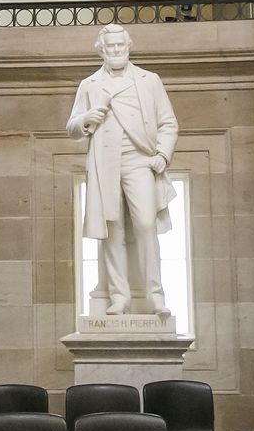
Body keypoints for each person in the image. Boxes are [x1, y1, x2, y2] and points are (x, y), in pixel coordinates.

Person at [67, 24, 179, 316]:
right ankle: (120, 296)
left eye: (120, 45)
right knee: (111, 228)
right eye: (110, 46)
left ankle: (156, 295)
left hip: (138, 159)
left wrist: (162, 154)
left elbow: (168, 122)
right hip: (104, 163)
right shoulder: (89, 84)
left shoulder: (149, 80)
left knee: (145, 223)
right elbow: (72, 128)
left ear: (128, 46)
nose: (116, 50)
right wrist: (87, 118)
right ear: (101, 49)